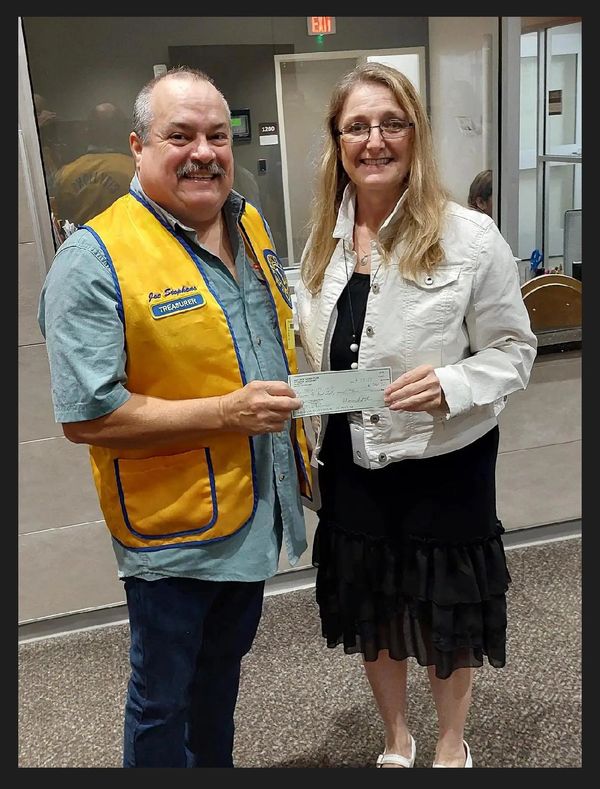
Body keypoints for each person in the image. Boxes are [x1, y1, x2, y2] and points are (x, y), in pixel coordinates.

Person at [38, 66, 312, 768]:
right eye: (180, 135)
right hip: (171, 533)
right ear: (138, 145)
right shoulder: (94, 258)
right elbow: (88, 416)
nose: (204, 151)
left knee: (220, 682)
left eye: (217, 135)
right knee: (164, 699)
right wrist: (227, 411)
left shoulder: (249, 221)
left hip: (253, 511)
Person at [296, 63, 537, 769]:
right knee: (371, 598)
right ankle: (396, 737)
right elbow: (319, 348)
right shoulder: (321, 241)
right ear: (337, 141)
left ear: (416, 134)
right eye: (358, 126)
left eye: (392, 122)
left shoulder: (471, 238)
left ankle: (450, 743)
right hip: (353, 461)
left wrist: (455, 380)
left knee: (446, 606)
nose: (376, 140)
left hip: (445, 459)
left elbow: (515, 349)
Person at [53, 102, 135, 226]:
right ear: (122, 131)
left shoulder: (66, 173)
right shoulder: (135, 170)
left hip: (81, 242)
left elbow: (61, 220)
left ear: (88, 131)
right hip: (127, 242)